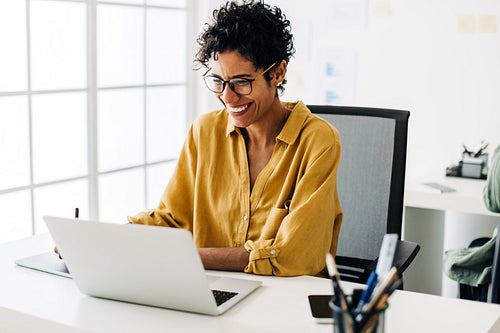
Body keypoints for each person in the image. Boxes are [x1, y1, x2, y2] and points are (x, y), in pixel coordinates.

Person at [127, 0, 343, 277]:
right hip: (208, 291)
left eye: (241, 82)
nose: (227, 98)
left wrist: (188, 256)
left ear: (277, 73)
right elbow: (174, 220)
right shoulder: (203, 132)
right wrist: (111, 238)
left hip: (287, 302)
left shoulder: (318, 141)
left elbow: (295, 255)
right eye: (217, 81)